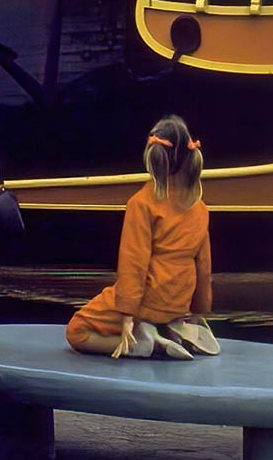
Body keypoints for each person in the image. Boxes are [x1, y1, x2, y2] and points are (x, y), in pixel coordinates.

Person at [65, 114, 217, 360]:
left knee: (77, 330)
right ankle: (173, 327)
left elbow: (133, 264)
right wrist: (197, 311)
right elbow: (204, 267)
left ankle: (142, 343)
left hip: (147, 302)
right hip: (178, 304)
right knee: (160, 307)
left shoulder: (142, 204)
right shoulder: (201, 208)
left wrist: (127, 315)